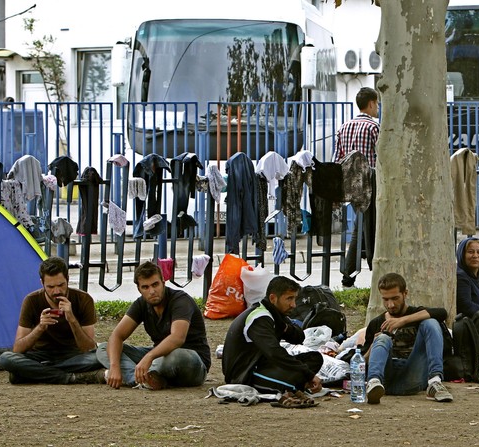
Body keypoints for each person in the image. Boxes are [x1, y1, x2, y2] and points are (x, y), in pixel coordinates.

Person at [97, 261, 210, 390]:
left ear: (163, 282)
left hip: (191, 362)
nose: (152, 291)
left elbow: (177, 338)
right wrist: (114, 367)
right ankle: (141, 379)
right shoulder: (141, 304)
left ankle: (147, 374)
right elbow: (116, 336)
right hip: (158, 358)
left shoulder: (180, 300)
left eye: (155, 285)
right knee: (104, 348)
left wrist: (149, 357)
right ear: (139, 289)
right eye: (145, 287)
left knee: (175, 356)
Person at [0, 257, 105, 384]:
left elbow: (88, 347)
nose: (56, 291)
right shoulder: (31, 300)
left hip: (72, 355)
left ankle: (34, 373)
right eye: (50, 287)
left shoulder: (83, 299)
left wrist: (72, 319)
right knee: (6, 358)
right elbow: (18, 349)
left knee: (99, 358)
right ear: (42, 283)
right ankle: (70, 378)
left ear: (68, 279)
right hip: (40, 355)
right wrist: (40, 327)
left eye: (61, 285)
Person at [222, 276, 322, 408]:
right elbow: (274, 352)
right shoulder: (259, 318)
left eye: (294, 298)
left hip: (265, 364)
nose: (293, 305)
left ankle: (296, 383)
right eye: (289, 299)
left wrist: (284, 327)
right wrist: (308, 374)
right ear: (273, 298)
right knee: (298, 374)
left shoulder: (275, 313)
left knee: (315, 358)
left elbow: (299, 337)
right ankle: (293, 385)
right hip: (246, 373)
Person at [363, 272, 453, 404]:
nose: (391, 305)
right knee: (382, 339)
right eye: (386, 299)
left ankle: (435, 382)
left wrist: (402, 321)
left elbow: (442, 312)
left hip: (413, 374)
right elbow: (360, 361)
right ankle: (373, 382)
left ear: (405, 293)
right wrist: (375, 345)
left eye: (395, 298)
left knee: (431, 322)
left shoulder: (416, 314)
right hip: (384, 379)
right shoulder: (377, 323)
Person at [337, 87, 380, 288]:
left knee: (361, 226)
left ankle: (349, 274)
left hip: (352, 186)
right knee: (371, 227)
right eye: (377, 104)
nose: (377, 108)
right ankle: (368, 271)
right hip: (371, 182)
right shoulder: (374, 128)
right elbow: (382, 157)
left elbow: (338, 159)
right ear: (371, 103)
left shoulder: (344, 127)